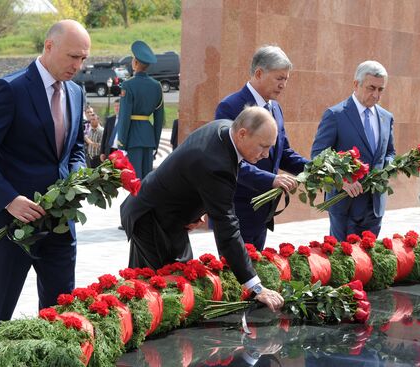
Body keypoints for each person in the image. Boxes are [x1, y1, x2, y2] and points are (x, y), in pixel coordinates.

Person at [0, 19, 90, 330]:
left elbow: (76, 149)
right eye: (72, 56)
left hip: (61, 224)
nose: (78, 65)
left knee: (61, 315)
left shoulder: (76, 92)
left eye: (83, 58)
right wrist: (9, 199)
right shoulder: (10, 89)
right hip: (12, 226)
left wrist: (75, 180)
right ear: (49, 46)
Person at [120, 106, 284, 312]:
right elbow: (227, 228)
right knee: (160, 291)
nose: (266, 154)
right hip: (151, 218)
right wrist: (255, 287)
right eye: (263, 146)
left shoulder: (225, 129)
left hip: (168, 216)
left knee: (178, 283)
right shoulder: (216, 162)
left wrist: (197, 209)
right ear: (243, 134)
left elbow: (196, 177)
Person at [214, 45, 309, 251]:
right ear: (258, 73)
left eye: (286, 79)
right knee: (237, 275)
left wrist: (315, 169)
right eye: (279, 78)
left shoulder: (275, 108)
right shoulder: (231, 106)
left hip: (263, 211)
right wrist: (271, 180)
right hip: (238, 208)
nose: (283, 85)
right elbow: (229, 161)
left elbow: (283, 153)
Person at [311, 60, 395, 242]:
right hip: (344, 205)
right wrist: (341, 181)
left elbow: (389, 153)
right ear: (356, 84)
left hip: (374, 206)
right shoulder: (335, 115)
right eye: (371, 88)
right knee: (343, 263)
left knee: (369, 263)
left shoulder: (386, 118)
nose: (376, 95)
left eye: (381, 90)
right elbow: (318, 156)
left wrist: (388, 168)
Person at [117, 40, 164, 179]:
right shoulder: (157, 86)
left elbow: (125, 116)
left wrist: (121, 142)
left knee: (133, 180)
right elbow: (159, 118)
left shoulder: (128, 85)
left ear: (135, 63)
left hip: (132, 138)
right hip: (148, 138)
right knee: (146, 180)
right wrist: (155, 141)